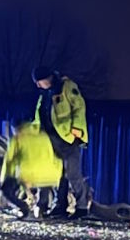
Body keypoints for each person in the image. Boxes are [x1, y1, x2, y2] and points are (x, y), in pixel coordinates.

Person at [32, 65, 91, 216]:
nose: (38, 85)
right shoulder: (44, 95)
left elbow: (79, 108)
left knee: (72, 174)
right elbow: (39, 117)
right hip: (49, 140)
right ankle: (59, 205)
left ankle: (82, 207)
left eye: (39, 82)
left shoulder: (67, 87)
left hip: (67, 139)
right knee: (55, 175)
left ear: (48, 78)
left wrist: (76, 131)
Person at [0, 118, 62, 218]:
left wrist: (5, 178)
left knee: (6, 190)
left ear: (16, 128)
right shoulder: (43, 136)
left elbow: (9, 160)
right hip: (49, 174)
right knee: (44, 185)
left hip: (29, 174)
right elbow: (55, 156)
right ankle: (41, 210)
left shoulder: (18, 138)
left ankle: (23, 207)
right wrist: (57, 174)